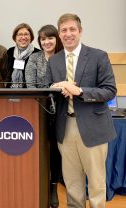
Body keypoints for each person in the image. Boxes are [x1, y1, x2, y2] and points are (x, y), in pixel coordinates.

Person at [46, 13, 117, 208]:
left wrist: (80, 91)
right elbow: (47, 89)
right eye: (64, 30)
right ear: (59, 34)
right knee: (72, 182)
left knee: (96, 183)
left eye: (72, 29)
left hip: (93, 127)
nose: (68, 34)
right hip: (65, 126)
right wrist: (54, 87)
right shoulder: (54, 60)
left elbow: (109, 90)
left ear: (80, 31)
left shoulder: (98, 56)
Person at [25, 25, 63, 208]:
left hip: (62, 111)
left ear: (57, 39)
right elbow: (30, 86)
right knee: (37, 150)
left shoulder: (64, 57)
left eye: (50, 38)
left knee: (56, 152)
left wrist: (57, 88)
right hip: (38, 112)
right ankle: (37, 184)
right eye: (43, 39)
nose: (46, 42)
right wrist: (53, 88)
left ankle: (53, 187)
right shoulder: (34, 58)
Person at [7, 23, 40, 88]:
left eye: (26, 34)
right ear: (15, 37)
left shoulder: (38, 53)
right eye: (20, 34)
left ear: (31, 37)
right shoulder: (10, 52)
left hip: (31, 93)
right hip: (11, 91)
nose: (23, 37)